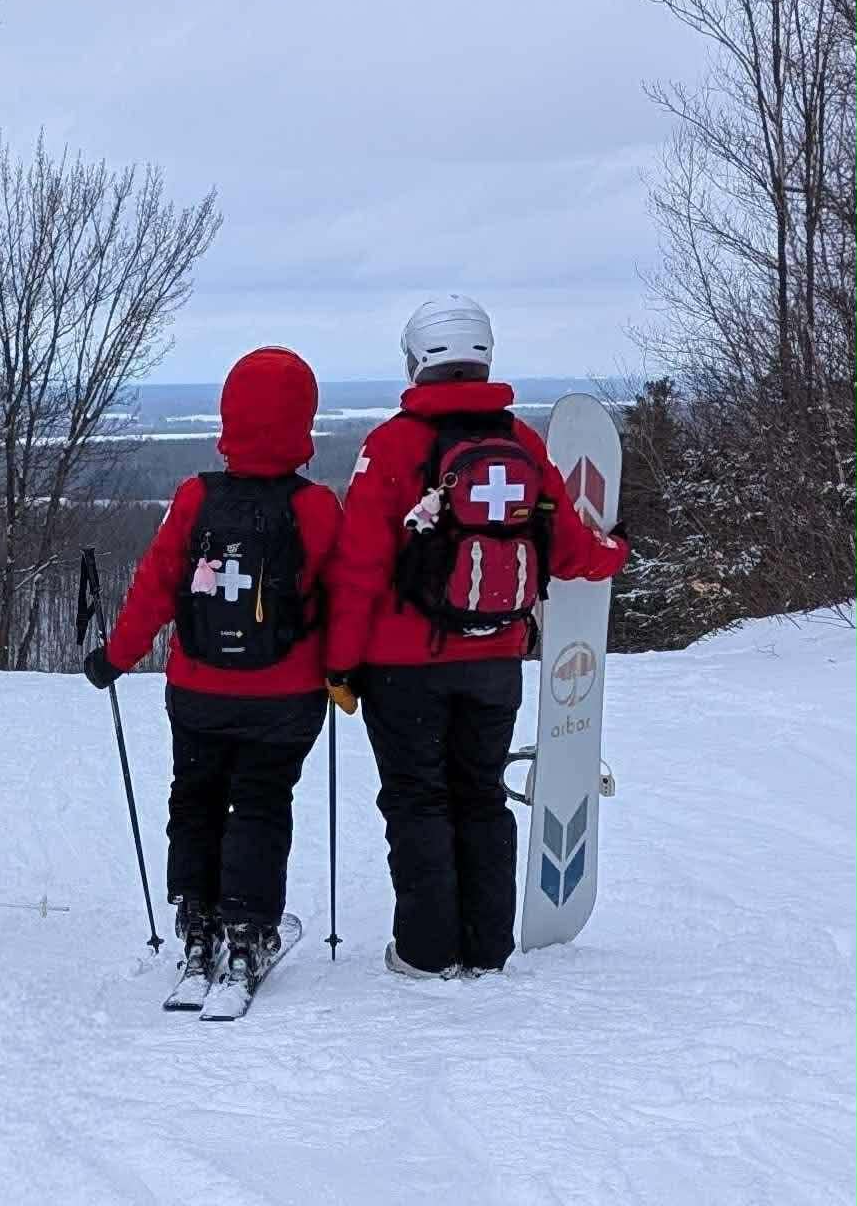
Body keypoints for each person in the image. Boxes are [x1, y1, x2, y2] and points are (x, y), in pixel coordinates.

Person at [326, 295, 628, 979]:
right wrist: (616, 551)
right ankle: (486, 947)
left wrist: (340, 664)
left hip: (403, 668)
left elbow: (358, 568)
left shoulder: (391, 446)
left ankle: (426, 951)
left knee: (417, 799)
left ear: (416, 359)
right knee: (481, 795)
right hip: (496, 659)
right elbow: (570, 548)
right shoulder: (522, 443)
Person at [83, 347, 341, 1004]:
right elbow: (342, 597)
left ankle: (197, 927)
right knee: (261, 802)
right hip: (286, 696)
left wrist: (116, 656)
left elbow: (154, 587)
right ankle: (248, 932)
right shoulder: (316, 508)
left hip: (198, 689)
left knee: (195, 797)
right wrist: (344, 669)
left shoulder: (195, 498)